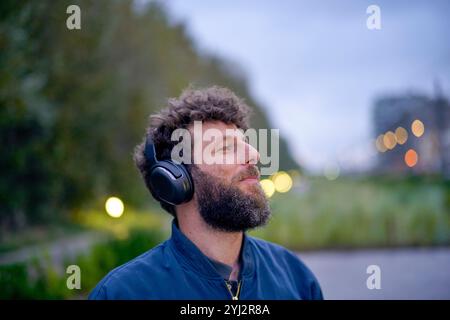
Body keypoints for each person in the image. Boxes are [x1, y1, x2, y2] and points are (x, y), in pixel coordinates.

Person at [89, 86, 323, 300]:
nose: (254, 155)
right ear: (176, 180)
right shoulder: (123, 293)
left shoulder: (296, 278)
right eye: (226, 148)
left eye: (245, 143)